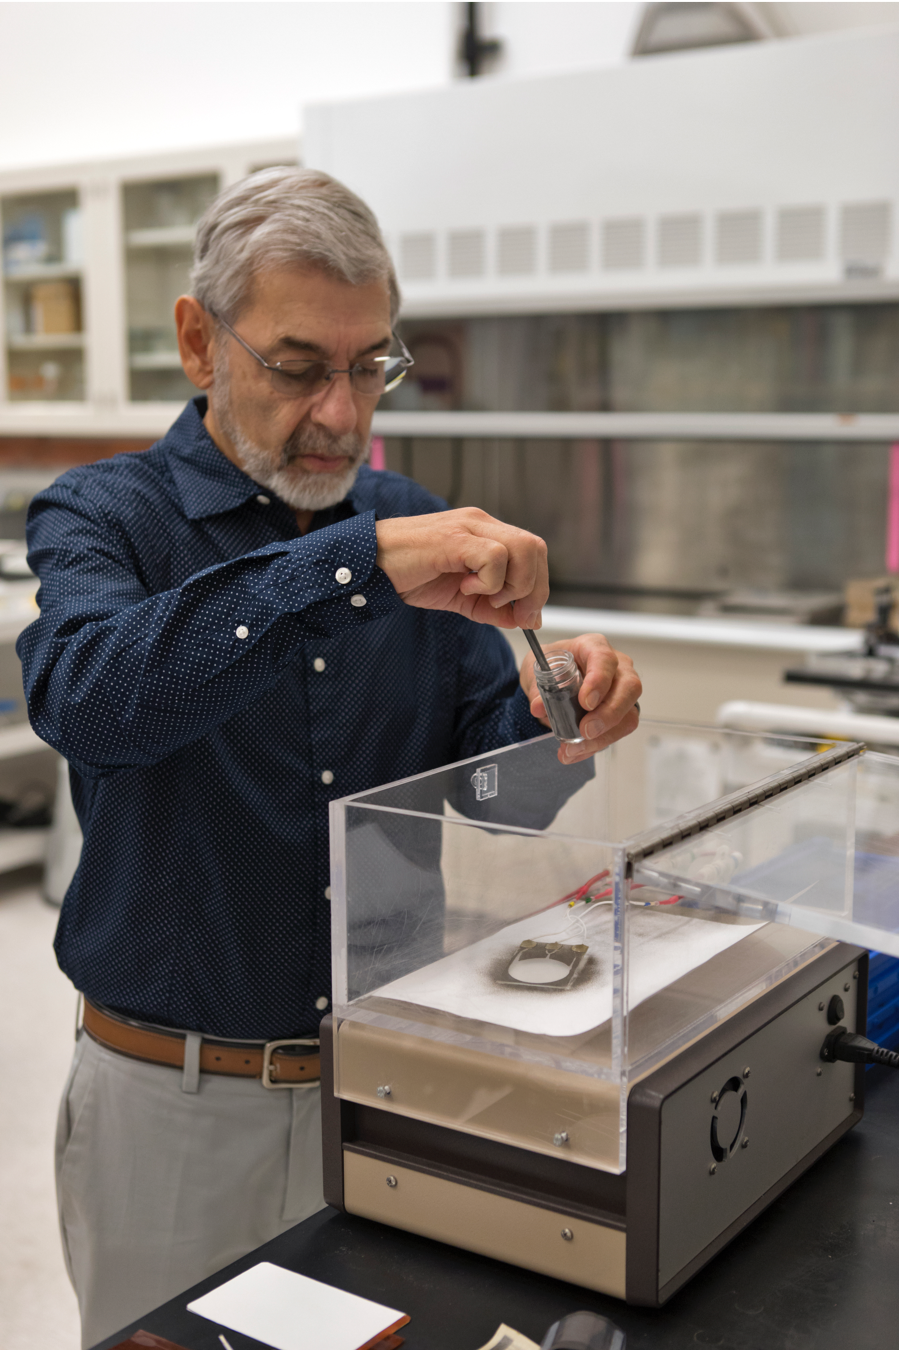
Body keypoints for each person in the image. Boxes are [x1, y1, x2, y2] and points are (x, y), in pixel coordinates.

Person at [18, 168, 641, 1347]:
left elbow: (496, 802)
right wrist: (354, 569)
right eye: (300, 368)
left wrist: (566, 722)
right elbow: (94, 701)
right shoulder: (103, 515)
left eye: (370, 367)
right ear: (200, 342)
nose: (343, 415)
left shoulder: (407, 515)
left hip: (388, 1093)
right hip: (173, 1106)